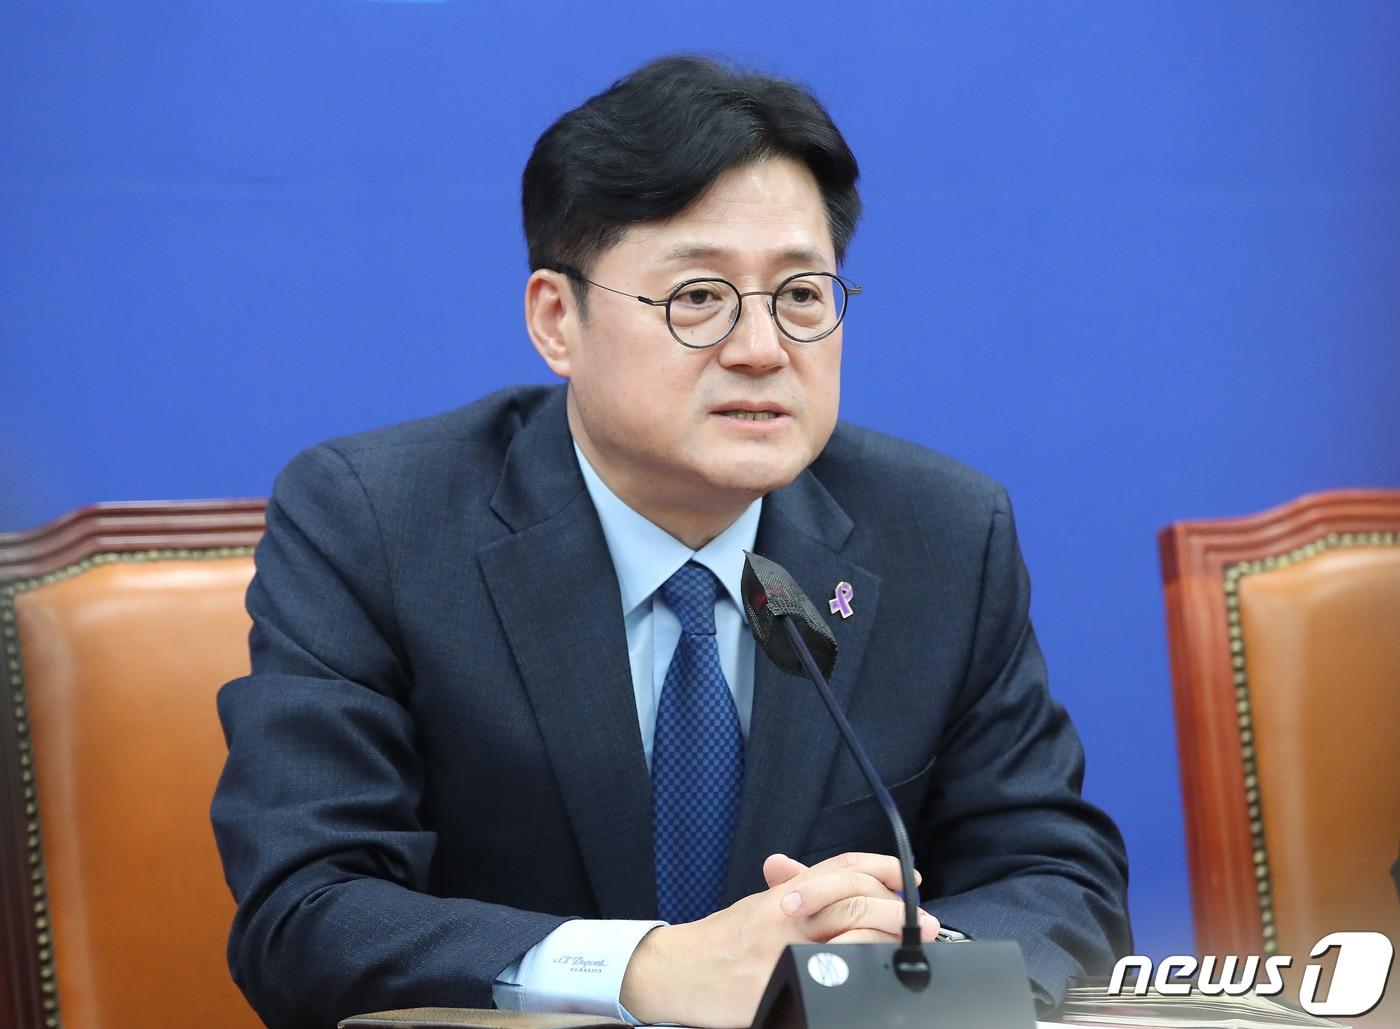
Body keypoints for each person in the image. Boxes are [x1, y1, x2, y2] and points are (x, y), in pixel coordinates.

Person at [211, 54, 1131, 1029]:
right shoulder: (375, 521)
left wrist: (906, 972)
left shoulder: (940, 534)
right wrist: (647, 966)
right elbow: (305, 914)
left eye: (801, 294)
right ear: (556, 320)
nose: (762, 349)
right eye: (697, 296)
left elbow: (1056, 880)